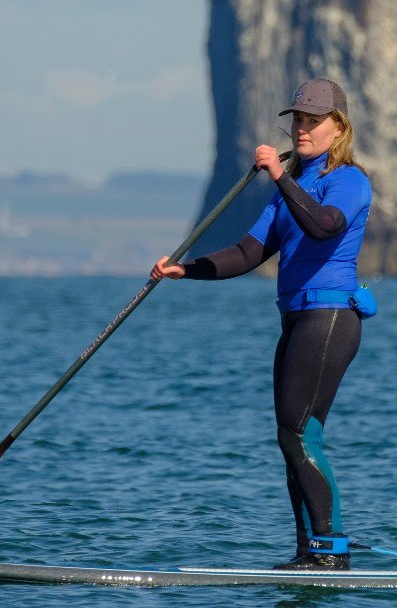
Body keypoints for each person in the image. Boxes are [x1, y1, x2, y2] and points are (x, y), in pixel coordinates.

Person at [152, 78, 372, 571]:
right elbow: (248, 253)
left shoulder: (349, 180)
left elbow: (324, 225)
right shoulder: (288, 187)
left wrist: (279, 176)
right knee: (290, 435)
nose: (302, 128)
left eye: (314, 120)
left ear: (338, 128)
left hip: (331, 317)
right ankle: (309, 552)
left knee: (298, 433)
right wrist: (185, 270)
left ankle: (330, 552)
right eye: (298, 118)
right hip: (296, 319)